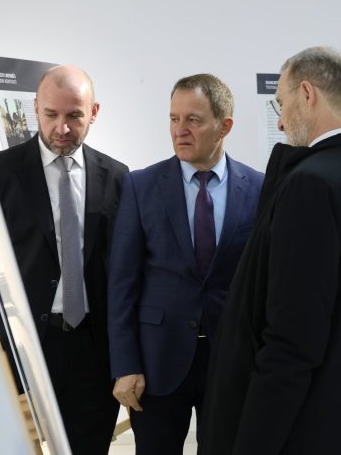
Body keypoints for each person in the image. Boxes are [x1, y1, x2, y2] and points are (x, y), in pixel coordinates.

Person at [201, 46, 341, 455]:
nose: (280, 120)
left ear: (308, 94)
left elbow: (292, 340)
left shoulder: (311, 185)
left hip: (314, 427)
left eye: (283, 102)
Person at [0, 65, 128, 455]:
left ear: (94, 112)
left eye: (74, 116)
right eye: (51, 114)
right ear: (35, 108)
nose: (62, 128)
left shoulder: (117, 177)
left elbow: (124, 271)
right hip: (22, 351)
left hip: (93, 354)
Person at [107, 73, 263, 455]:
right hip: (157, 363)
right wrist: (125, 364)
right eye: (174, 118)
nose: (180, 130)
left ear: (224, 126)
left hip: (230, 361)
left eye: (193, 120)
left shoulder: (259, 188)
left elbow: (265, 283)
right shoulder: (141, 186)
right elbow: (122, 284)